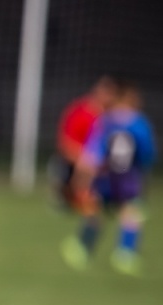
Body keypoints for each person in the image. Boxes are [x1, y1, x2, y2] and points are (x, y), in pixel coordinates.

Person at [63, 80, 156, 276]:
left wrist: (83, 175)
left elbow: (94, 149)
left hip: (104, 175)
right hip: (128, 177)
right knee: (130, 214)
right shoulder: (140, 123)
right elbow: (147, 153)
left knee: (93, 210)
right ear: (133, 100)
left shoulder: (106, 121)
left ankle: (81, 248)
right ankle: (125, 253)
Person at [53, 76, 117, 213]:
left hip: (104, 160)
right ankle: (78, 198)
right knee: (86, 165)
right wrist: (85, 157)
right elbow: (65, 142)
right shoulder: (80, 112)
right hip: (80, 159)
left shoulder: (113, 116)